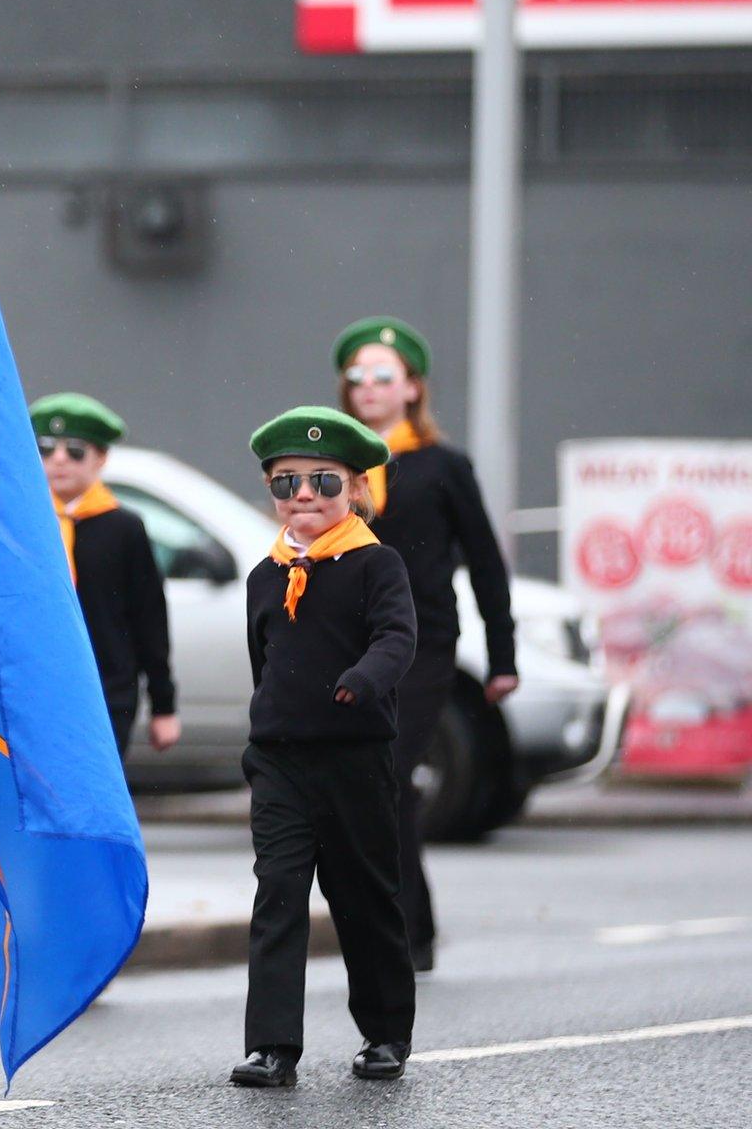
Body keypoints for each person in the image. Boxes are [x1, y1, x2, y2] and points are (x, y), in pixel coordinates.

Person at [231, 407, 417, 1089]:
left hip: (355, 759)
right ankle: (272, 1046)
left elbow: (397, 638)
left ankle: (385, 1032)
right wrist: (267, 729)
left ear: (356, 491)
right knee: (277, 893)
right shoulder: (264, 577)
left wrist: (366, 679)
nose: (303, 495)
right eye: (286, 483)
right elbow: (264, 661)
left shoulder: (377, 565)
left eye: (322, 481)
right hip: (281, 762)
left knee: (363, 897)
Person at [333, 316, 515, 973]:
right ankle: (414, 922)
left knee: (386, 775)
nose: (369, 388)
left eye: (384, 376)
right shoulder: (332, 468)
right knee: (374, 785)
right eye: (357, 377)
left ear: (412, 388)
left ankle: (405, 934)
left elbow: (486, 563)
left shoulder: (442, 466)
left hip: (421, 645)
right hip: (349, 644)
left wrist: (503, 657)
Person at [29, 393, 179, 757]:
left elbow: (149, 619)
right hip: (36, 688)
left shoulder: (123, 527)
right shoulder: (23, 523)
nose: (59, 459)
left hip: (106, 690)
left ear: (101, 458)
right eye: (46, 448)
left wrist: (163, 704)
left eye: (75, 450)